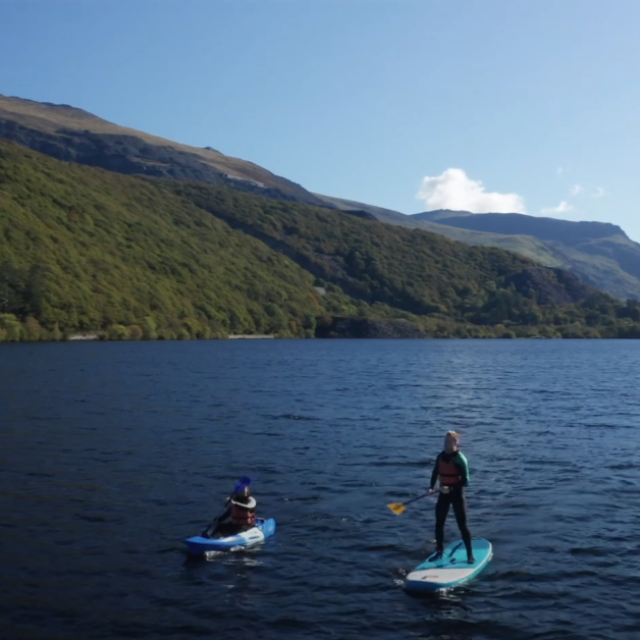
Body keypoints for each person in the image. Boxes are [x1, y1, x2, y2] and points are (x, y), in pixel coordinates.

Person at [429, 430, 474, 563]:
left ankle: (470, 555)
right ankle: (439, 552)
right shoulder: (440, 456)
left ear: (455, 443)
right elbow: (435, 472)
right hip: (443, 495)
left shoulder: (460, 459)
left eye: (449, 442)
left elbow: (466, 481)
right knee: (439, 523)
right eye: (445, 441)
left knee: (462, 525)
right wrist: (431, 487)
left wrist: (451, 488)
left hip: (457, 495)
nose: (446, 444)